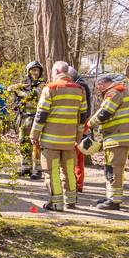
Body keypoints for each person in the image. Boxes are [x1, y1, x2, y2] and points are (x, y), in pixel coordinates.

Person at [30, 61, 87, 211]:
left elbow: (41, 115)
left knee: (52, 171)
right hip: (69, 141)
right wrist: (78, 137)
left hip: (50, 140)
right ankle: (71, 201)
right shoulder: (79, 90)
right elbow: (82, 117)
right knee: (69, 170)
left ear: (56, 71)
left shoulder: (50, 88)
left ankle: (56, 203)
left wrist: (34, 134)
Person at [89, 73, 129, 210]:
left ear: (102, 84)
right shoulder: (118, 91)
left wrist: (89, 124)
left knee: (114, 169)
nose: (98, 90)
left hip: (118, 137)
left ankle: (114, 201)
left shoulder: (115, 92)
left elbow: (105, 112)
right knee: (110, 168)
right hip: (114, 137)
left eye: (98, 87)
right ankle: (110, 196)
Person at [8, 60, 45, 179]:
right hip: (23, 117)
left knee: (36, 143)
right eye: (33, 70)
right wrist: (13, 89)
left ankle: (37, 169)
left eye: (37, 70)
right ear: (29, 71)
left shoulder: (41, 84)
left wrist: (19, 92)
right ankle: (26, 167)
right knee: (23, 141)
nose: (35, 72)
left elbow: (34, 95)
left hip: (35, 117)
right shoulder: (24, 83)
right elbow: (11, 92)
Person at [68, 66, 92, 192]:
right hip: (82, 123)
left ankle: (76, 183)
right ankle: (78, 183)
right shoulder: (83, 85)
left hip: (79, 124)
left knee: (76, 156)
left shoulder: (80, 87)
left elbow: (84, 110)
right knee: (78, 156)